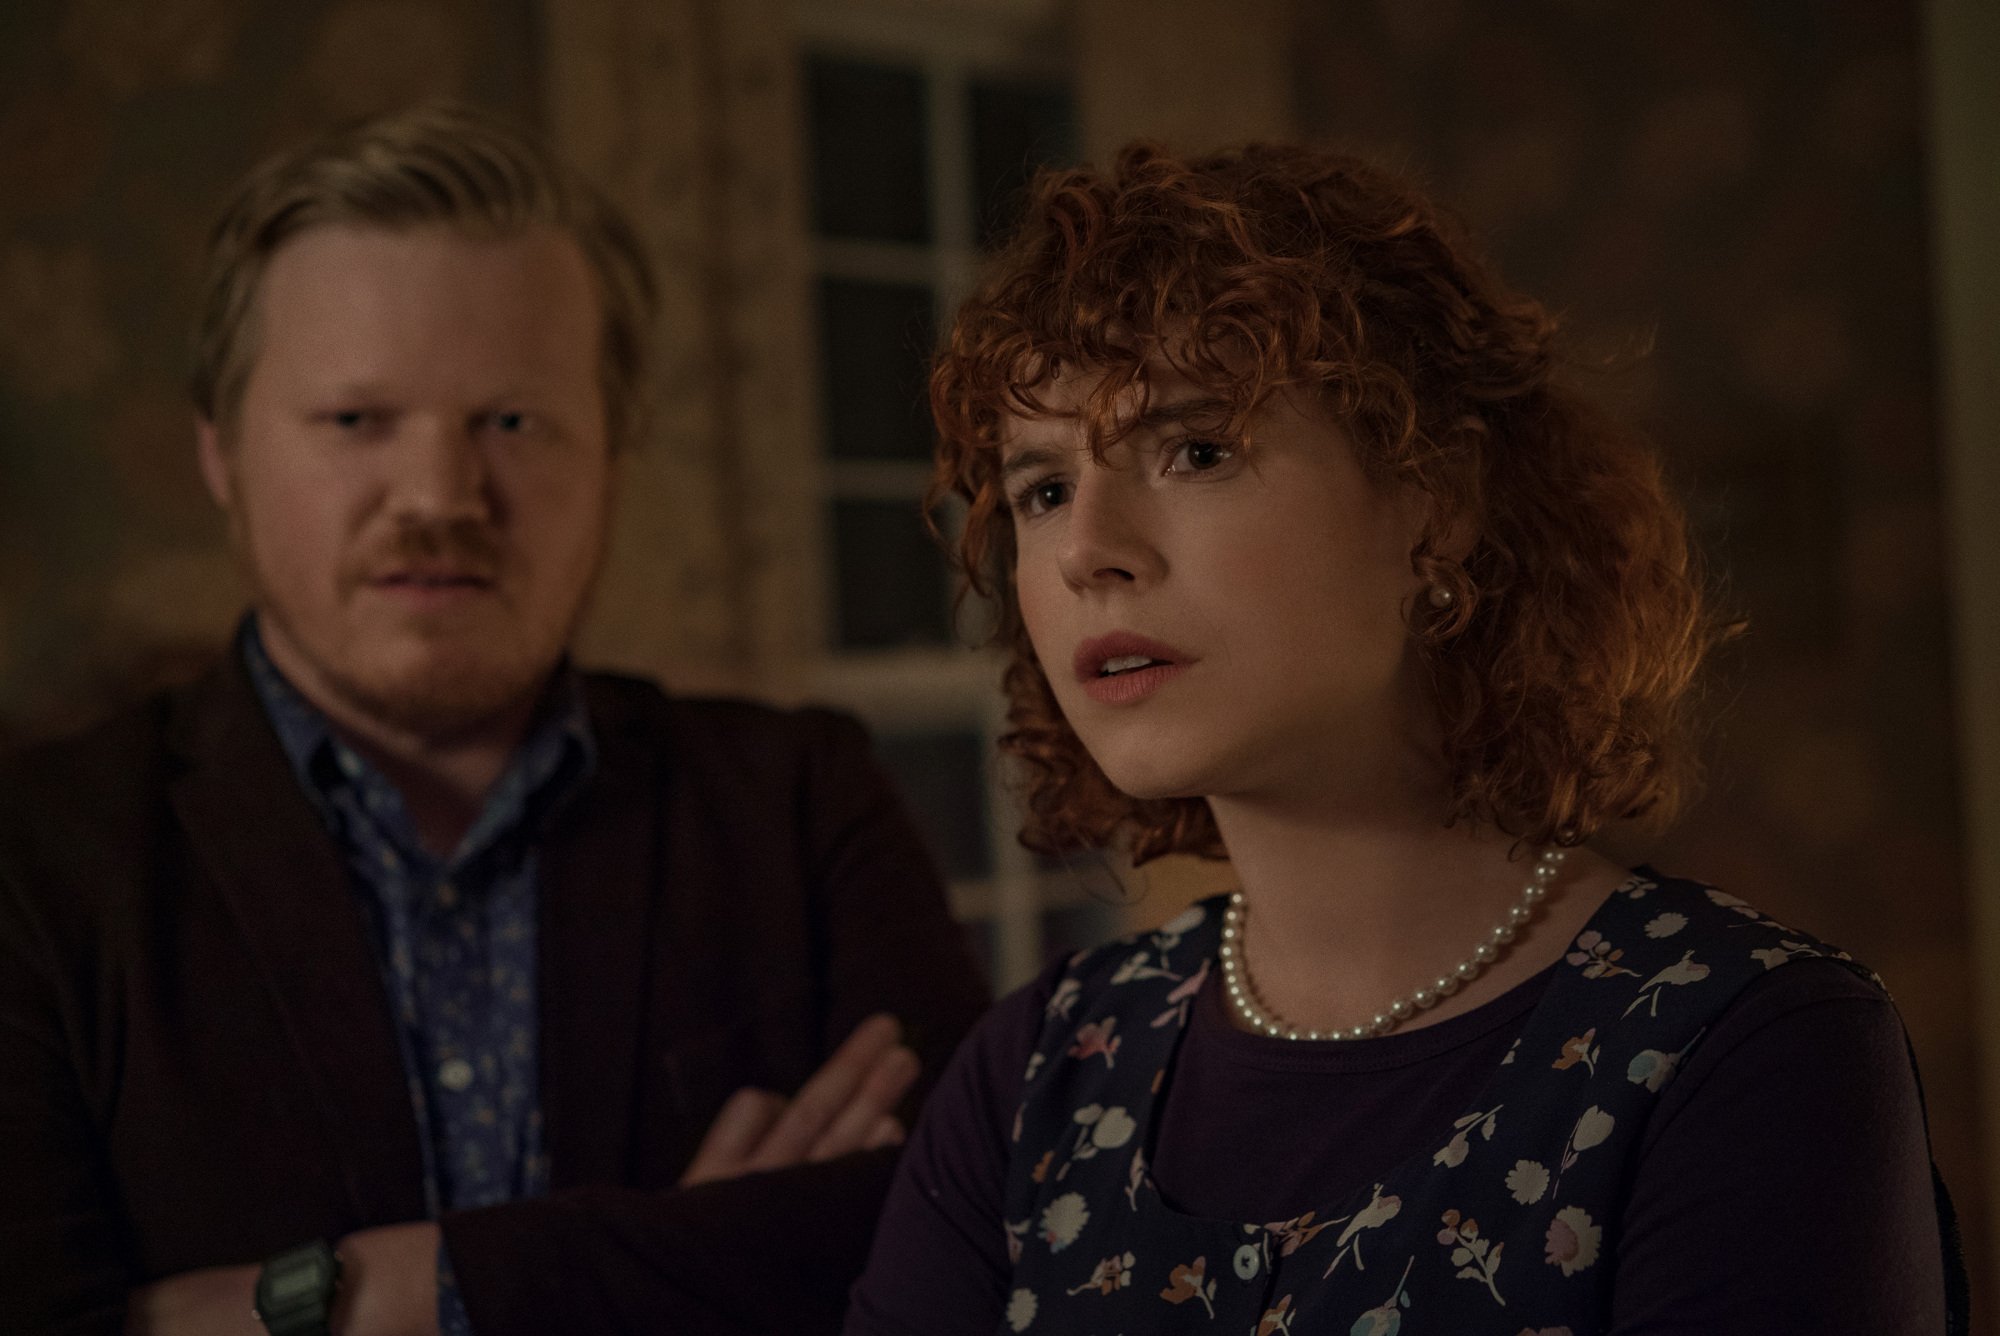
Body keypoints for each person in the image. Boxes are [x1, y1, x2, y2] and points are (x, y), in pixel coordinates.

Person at [846, 143, 1967, 1334]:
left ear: (1437, 504)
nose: (1086, 550)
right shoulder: (1035, 1076)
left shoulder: (1746, 1054)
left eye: (1196, 449)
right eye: (1040, 489)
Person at [0, 103, 989, 1336]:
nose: (439, 494)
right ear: (223, 457)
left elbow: (983, 1240)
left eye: (512, 422)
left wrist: (376, 1297)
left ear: (613, 452)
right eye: (356, 419)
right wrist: (685, 1261)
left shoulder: (798, 796)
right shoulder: (34, 865)